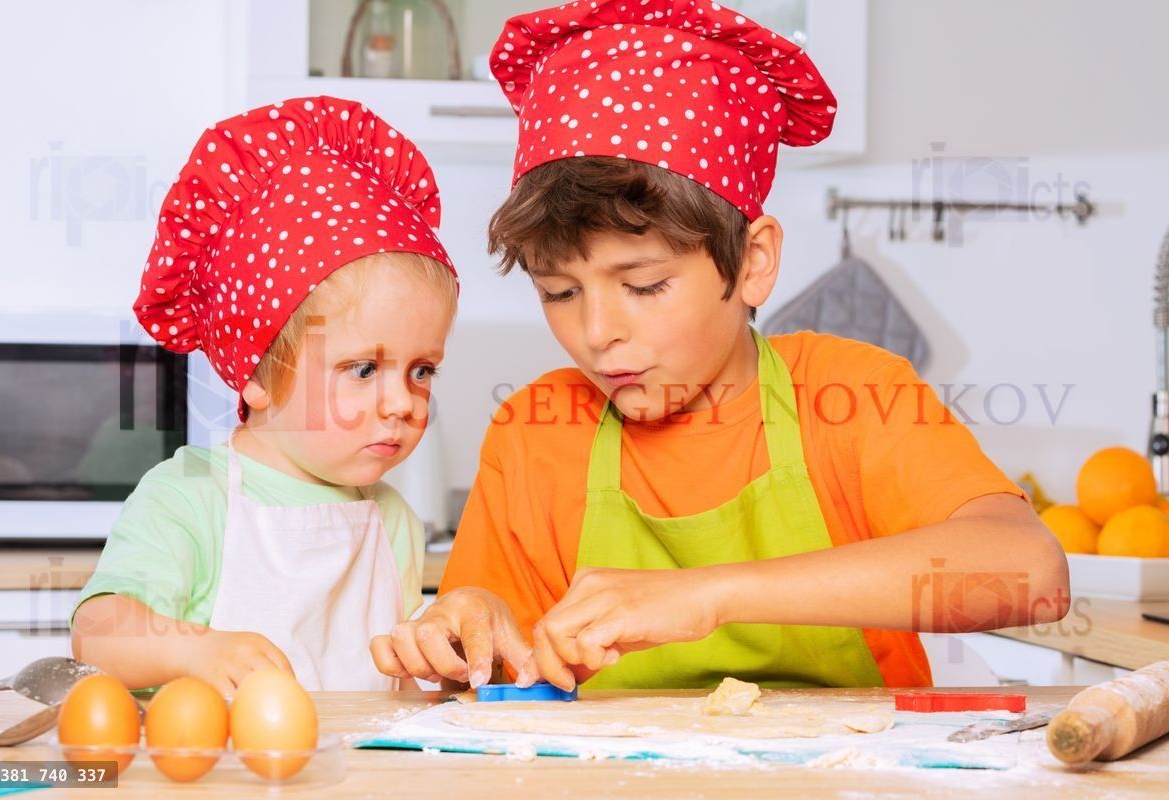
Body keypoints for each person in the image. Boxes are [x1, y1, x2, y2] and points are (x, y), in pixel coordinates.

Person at [370, 1, 1069, 692]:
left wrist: (708, 595)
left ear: (755, 261)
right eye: (559, 292)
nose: (595, 332)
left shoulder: (851, 397)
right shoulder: (535, 436)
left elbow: (1030, 573)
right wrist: (467, 629)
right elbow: (487, 670)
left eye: (643, 285)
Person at [71, 96, 459, 694]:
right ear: (256, 372)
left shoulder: (392, 522)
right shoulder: (190, 497)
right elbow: (97, 631)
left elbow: (398, 691)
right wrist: (198, 651)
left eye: (421, 371)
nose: (403, 403)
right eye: (362, 370)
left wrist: (438, 669)